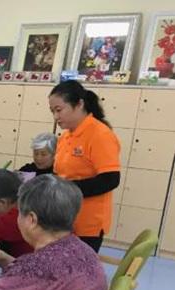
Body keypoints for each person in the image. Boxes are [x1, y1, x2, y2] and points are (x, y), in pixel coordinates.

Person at [49, 80, 121, 252]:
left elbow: (110, 179)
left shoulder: (100, 134)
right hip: (64, 218)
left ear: (79, 104)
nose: (56, 117)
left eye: (59, 110)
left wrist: (67, 190)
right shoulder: (66, 137)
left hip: (87, 223)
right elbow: (60, 173)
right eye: (52, 111)